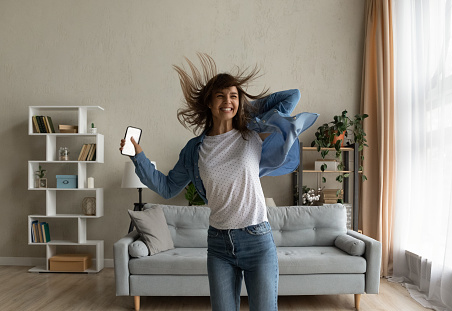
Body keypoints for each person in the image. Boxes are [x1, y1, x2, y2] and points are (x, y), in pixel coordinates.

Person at [120, 54, 318, 311]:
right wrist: (139, 157)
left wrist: (247, 107)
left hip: (257, 240)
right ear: (209, 103)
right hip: (219, 245)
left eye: (233, 96)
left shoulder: (252, 135)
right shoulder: (195, 150)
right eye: (221, 96)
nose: (228, 101)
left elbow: (293, 95)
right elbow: (167, 187)